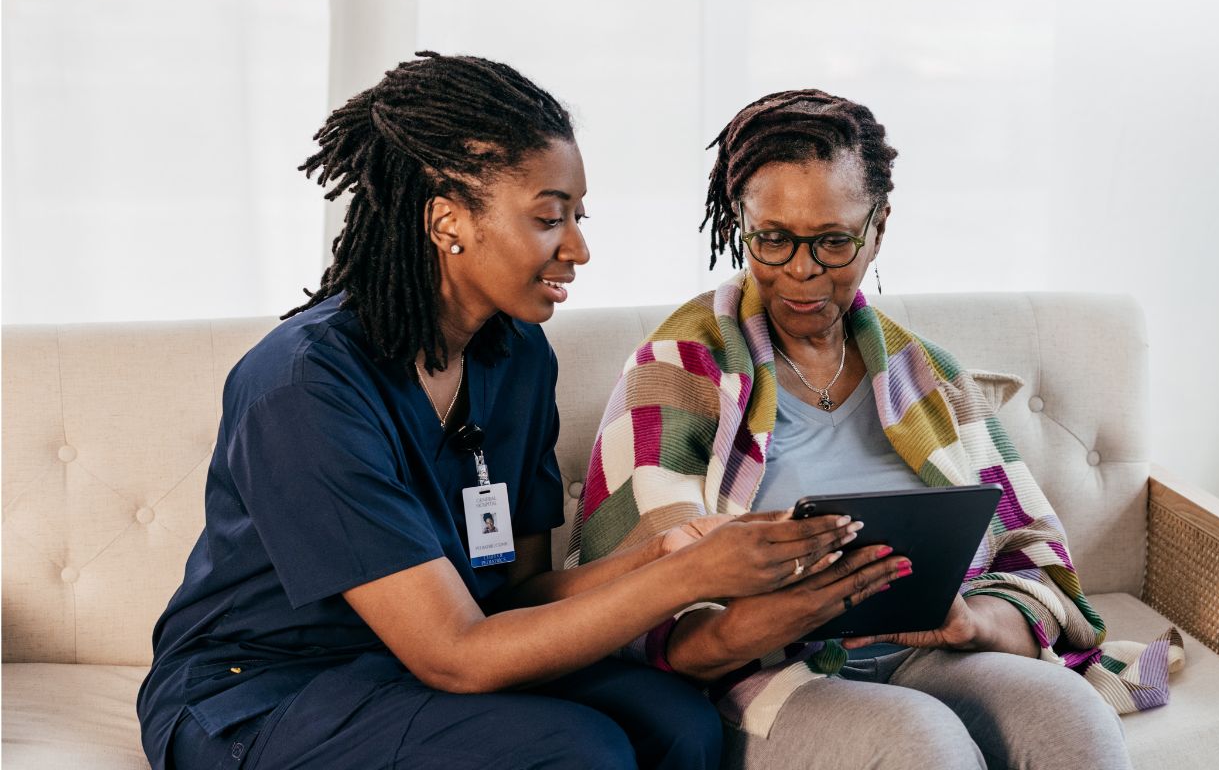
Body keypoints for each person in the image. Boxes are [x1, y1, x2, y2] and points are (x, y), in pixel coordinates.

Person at [136, 55, 892, 770]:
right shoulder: (305, 388)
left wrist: (671, 553)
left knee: (680, 723)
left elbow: (516, 595)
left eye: (579, 216)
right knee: (575, 752)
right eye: (548, 218)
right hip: (264, 689)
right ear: (447, 221)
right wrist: (688, 576)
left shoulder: (518, 358)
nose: (579, 248)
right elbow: (454, 653)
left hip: (414, 666)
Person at [573, 90, 1175, 770]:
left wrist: (970, 622)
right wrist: (756, 621)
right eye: (773, 239)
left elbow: (1034, 560)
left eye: (834, 241)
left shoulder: (928, 377)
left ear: (878, 228)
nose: (802, 271)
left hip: (927, 653)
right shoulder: (677, 369)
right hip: (766, 674)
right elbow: (635, 605)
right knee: (922, 744)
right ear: (741, 224)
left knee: (1073, 718)